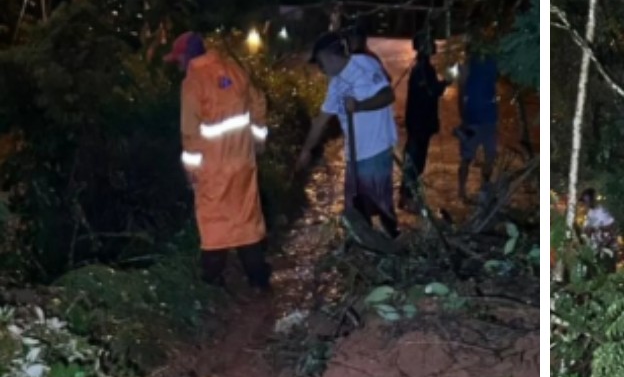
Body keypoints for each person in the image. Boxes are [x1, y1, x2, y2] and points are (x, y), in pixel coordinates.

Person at [168, 31, 273, 291]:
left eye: (178, 59)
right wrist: (257, 139)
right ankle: (258, 280)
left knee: (215, 225)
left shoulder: (193, 82)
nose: (178, 65)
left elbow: (190, 133)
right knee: (246, 220)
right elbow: (258, 102)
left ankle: (212, 282)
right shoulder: (234, 69)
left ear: (187, 56)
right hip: (243, 162)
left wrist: (191, 170)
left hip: (213, 168)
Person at [295, 31, 399, 237]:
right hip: (354, 155)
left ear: (329, 55)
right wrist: (306, 150)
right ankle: (365, 246)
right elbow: (321, 120)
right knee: (356, 209)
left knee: (380, 205)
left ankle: (393, 242)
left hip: (376, 150)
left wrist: (360, 106)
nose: (320, 68)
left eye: (320, 62)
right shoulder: (336, 83)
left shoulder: (365, 65)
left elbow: (387, 95)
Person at [401, 34, 448, 209]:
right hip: (419, 124)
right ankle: (408, 197)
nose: (434, 45)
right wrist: (446, 83)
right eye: (430, 43)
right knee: (415, 161)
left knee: (415, 161)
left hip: (419, 123)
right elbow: (432, 91)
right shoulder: (422, 69)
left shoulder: (423, 68)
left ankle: (408, 196)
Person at [455, 41, 500, 202]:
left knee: (485, 156)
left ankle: (480, 188)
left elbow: (460, 93)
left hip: (483, 118)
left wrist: (463, 117)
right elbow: (460, 93)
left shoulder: (485, 64)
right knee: (473, 157)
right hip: (478, 118)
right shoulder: (468, 66)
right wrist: (463, 118)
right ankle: (464, 190)